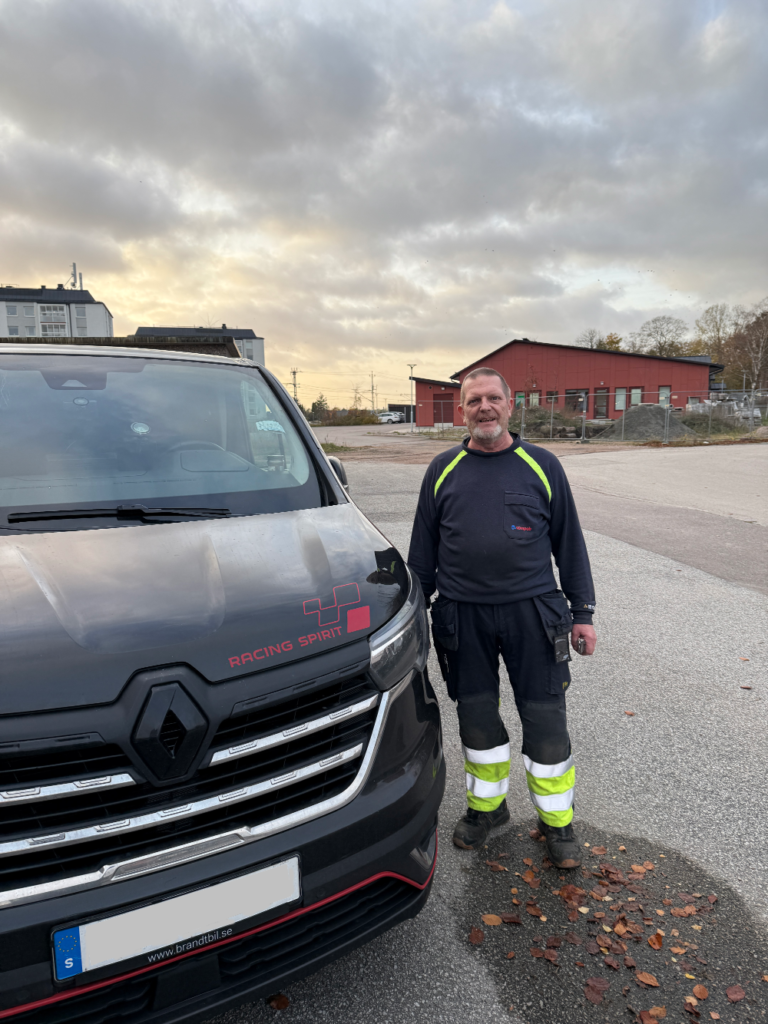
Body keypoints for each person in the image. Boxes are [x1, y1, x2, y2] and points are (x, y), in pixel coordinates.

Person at [408, 368, 596, 868]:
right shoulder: (442, 469)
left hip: (534, 613)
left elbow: (569, 543)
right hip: (461, 615)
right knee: (476, 717)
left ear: (511, 405)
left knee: (545, 718)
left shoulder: (542, 465)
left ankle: (557, 821)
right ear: (462, 410)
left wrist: (583, 612)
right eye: (474, 400)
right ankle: (487, 810)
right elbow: (422, 552)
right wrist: (413, 616)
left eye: (493, 398)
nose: (484, 407)